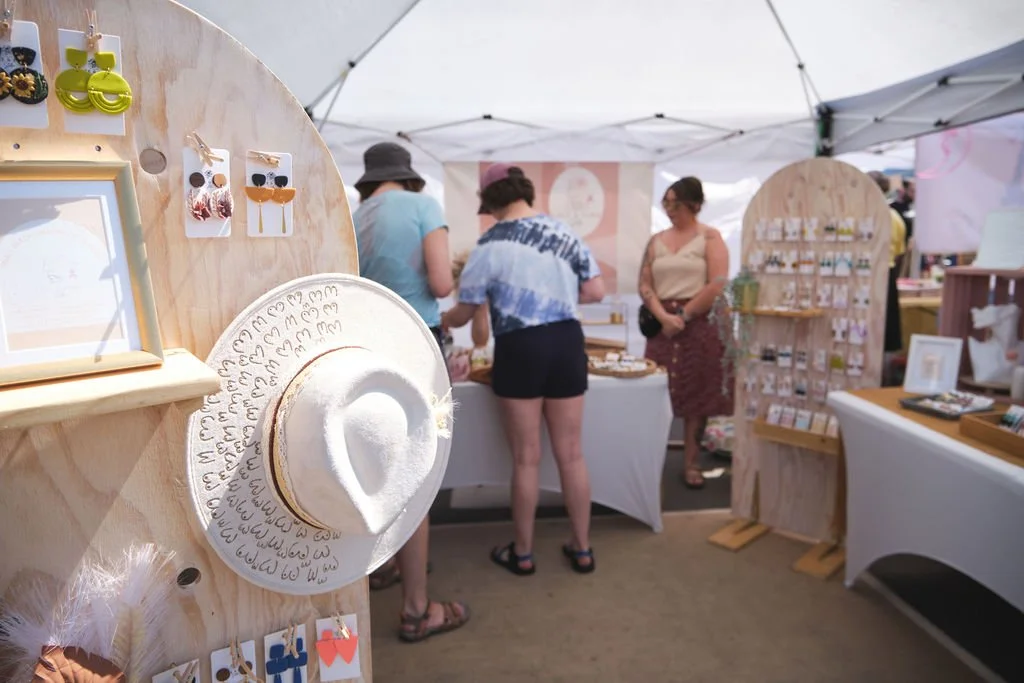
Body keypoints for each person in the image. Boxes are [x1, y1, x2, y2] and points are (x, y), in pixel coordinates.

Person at [441, 164, 605, 575]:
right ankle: (583, 548)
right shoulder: (565, 232)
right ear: (525, 192)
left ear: (490, 201)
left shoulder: (489, 244)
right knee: (572, 453)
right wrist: (557, 295)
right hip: (566, 342)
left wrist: (440, 321)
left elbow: (464, 313)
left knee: (526, 458)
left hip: (520, 346)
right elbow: (595, 291)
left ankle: (524, 553)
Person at [352, 141, 469, 642]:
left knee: (382, 466)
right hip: (418, 344)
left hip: (367, 345)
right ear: (408, 176)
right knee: (418, 473)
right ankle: (418, 610)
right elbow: (441, 284)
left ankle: (383, 565)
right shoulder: (423, 206)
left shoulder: (355, 216)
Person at [638, 177, 732, 489]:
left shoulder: (709, 237)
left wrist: (684, 315)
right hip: (662, 322)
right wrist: (663, 316)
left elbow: (717, 282)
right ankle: (651, 459)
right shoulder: (656, 241)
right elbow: (645, 284)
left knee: (697, 394)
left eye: (675, 203)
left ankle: (692, 462)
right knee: (657, 391)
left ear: (694, 204)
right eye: (666, 202)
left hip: (699, 321)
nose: (669, 209)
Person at [869, 171, 908, 383]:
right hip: (888, 273)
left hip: (869, 275)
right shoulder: (894, 217)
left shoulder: (867, 214)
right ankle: (883, 378)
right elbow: (900, 252)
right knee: (886, 330)